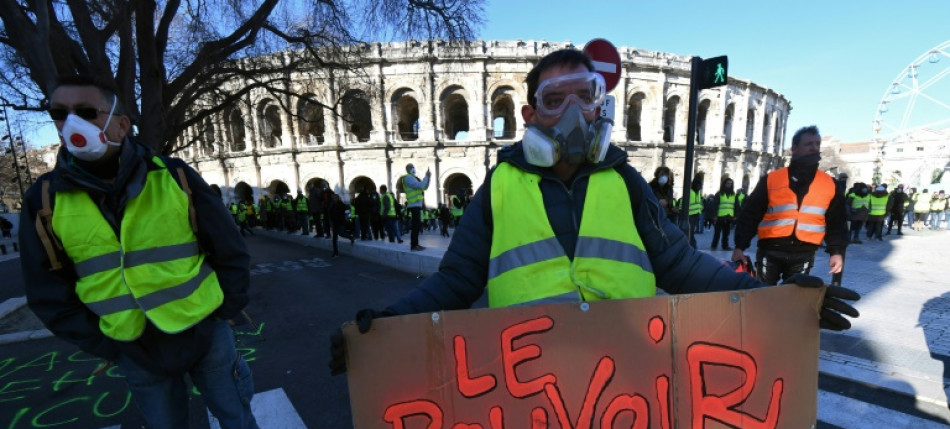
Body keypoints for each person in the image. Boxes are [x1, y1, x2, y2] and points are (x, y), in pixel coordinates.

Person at [329, 48, 859, 374]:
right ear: (530, 114)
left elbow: (681, 264)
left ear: (600, 105)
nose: (573, 112)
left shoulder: (624, 180)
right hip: (530, 382)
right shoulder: (500, 185)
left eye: (585, 96)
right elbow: (456, 280)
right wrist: (389, 324)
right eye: (554, 100)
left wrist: (774, 300)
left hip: (630, 376)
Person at [17, 75, 299, 429]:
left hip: (205, 332)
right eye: (59, 114)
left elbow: (228, 248)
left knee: (238, 419)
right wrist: (106, 343)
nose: (71, 123)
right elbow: (48, 290)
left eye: (86, 112)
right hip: (132, 345)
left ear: (121, 123)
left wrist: (222, 312)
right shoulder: (45, 200)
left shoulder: (175, 177)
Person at [731, 125, 848, 285]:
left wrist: (836, 251)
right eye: (808, 144)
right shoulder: (772, 180)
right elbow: (751, 214)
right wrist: (740, 247)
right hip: (771, 250)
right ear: (795, 148)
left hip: (804, 252)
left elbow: (837, 222)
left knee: (793, 296)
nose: (814, 148)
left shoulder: (829, 184)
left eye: (817, 144)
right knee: (762, 294)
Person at [401, 163, 430, 251]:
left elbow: (424, 187)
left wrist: (428, 178)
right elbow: (420, 185)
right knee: (415, 226)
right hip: (413, 204)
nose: (413, 168)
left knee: (417, 225)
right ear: (407, 169)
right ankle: (414, 245)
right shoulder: (408, 178)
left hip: (416, 205)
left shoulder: (413, 178)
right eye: (411, 167)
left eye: (413, 167)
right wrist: (426, 177)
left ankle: (416, 244)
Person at [710, 175, 737, 250]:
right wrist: (714, 216)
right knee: (717, 233)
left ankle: (725, 246)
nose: (729, 185)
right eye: (728, 183)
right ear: (724, 184)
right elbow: (715, 205)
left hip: (729, 216)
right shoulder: (719, 194)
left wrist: (735, 215)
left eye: (730, 184)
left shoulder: (733, 194)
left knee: (726, 233)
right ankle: (714, 245)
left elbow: (736, 205)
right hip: (720, 216)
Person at [687, 171, 704, 248]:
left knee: (692, 231)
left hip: (696, 214)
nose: (699, 187)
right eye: (698, 185)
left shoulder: (698, 192)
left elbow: (699, 202)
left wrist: (701, 207)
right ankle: (692, 244)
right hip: (689, 214)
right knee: (690, 231)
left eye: (700, 185)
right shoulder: (690, 192)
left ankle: (692, 244)